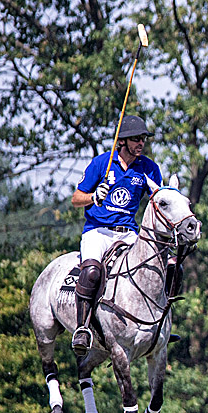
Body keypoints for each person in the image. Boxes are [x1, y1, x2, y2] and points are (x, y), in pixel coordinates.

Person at [70, 114, 163, 357]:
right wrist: (94, 197)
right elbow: (76, 199)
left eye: (143, 139)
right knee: (91, 272)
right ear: (121, 141)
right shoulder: (102, 163)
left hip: (128, 233)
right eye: (135, 139)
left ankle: (159, 325)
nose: (140, 143)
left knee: (157, 268)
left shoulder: (148, 168)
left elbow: (158, 201)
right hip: (98, 231)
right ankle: (82, 328)